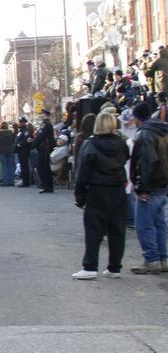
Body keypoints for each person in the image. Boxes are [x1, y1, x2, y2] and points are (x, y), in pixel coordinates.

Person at [72, 112, 129, 279]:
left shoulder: (90, 144)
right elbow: (126, 158)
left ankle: (90, 266)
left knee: (94, 229)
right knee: (117, 229)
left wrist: (80, 196)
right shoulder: (121, 143)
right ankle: (114, 267)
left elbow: (82, 171)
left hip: (97, 189)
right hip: (118, 188)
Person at [128, 102, 168, 274]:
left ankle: (151, 259)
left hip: (151, 185)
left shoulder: (145, 134)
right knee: (159, 222)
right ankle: (163, 258)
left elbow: (148, 162)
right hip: (162, 184)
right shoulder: (162, 131)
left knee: (144, 223)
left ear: (137, 118)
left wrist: (142, 187)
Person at [31, 109, 55, 193]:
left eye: (41, 114)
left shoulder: (45, 124)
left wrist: (33, 144)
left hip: (44, 148)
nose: (40, 115)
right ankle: (47, 185)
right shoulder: (48, 124)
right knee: (45, 167)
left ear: (44, 114)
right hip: (45, 148)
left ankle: (46, 185)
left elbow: (40, 136)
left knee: (42, 167)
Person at [0, 121, 16, 186]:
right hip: (10, 151)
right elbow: (14, 141)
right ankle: (11, 181)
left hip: (2, 151)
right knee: (11, 166)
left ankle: (5, 181)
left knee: (4, 166)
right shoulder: (11, 133)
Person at [14, 118, 33, 187]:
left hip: (24, 150)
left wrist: (19, 144)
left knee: (25, 166)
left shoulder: (26, 130)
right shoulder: (21, 130)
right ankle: (23, 180)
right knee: (22, 166)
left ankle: (26, 181)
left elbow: (26, 139)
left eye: (21, 122)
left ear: (24, 123)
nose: (19, 123)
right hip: (20, 150)